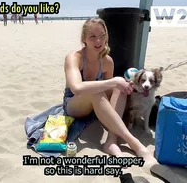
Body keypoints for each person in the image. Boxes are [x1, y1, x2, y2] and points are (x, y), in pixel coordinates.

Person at [62, 18, 157, 165]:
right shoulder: (74, 57)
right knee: (99, 89)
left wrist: (121, 84)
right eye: (92, 37)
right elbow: (77, 88)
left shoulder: (107, 61)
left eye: (102, 35)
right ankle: (134, 143)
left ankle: (111, 141)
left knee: (120, 86)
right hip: (74, 104)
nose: (98, 41)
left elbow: (111, 91)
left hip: (95, 106)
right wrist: (113, 81)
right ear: (84, 39)